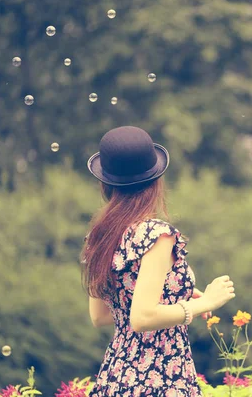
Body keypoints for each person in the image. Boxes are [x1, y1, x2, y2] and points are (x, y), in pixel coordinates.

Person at [81, 126, 235, 397]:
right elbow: (142, 317)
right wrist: (205, 303)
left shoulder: (101, 234)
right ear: (155, 181)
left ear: (105, 182)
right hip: (160, 380)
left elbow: (101, 315)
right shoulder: (156, 235)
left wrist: (175, 299)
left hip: (117, 376)